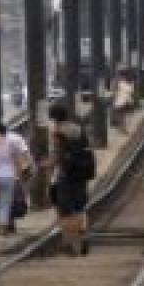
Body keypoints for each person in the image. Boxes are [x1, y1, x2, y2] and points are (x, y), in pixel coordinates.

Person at [45, 102, 93, 256]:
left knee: (64, 211)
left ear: (53, 118)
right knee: (80, 207)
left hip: (64, 176)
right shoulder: (78, 129)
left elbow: (56, 156)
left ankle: (70, 244)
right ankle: (83, 235)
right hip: (81, 173)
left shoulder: (56, 132)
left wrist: (46, 165)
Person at [0, 121, 31, 239]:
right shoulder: (10, 142)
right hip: (9, 176)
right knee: (5, 205)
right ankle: (2, 233)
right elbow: (18, 160)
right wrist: (19, 177)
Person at [110, 66, 136, 133]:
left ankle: (122, 128)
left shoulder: (116, 80)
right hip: (125, 100)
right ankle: (122, 128)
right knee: (123, 115)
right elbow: (131, 91)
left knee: (121, 115)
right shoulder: (128, 80)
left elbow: (113, 90)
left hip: (120, 101)